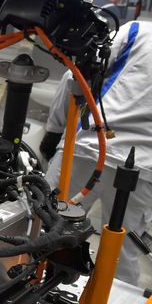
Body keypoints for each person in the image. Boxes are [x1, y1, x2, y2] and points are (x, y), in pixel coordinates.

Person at [40, 20, 152, 286]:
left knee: (47, 225)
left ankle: (29, 291)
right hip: (145, 168)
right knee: (123, 249)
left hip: (89, 147)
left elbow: (77, 74)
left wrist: (54, 131)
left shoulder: (137, 31)